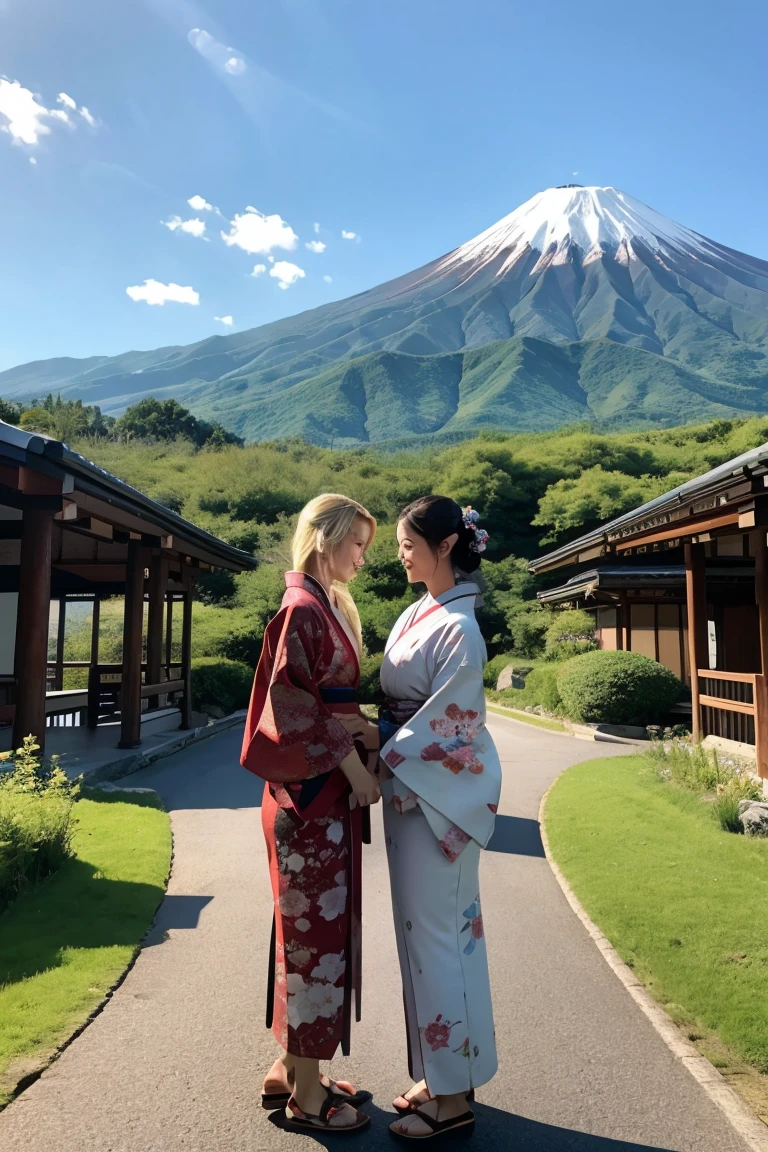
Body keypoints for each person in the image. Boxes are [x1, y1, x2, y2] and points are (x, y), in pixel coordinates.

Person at [240, 493, 381, 1135]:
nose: (362, 557)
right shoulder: (303, 609)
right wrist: (353, 766)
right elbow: (291, 706)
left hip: (314, 798)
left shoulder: (318, 606)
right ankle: (306, 1095)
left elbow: (326, 703)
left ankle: (297, 1068)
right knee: (311, 940)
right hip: (312, 798)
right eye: (356, 544)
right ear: (325, 540)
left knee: (306, 936)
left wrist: (363, 731)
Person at [379, 496, 501, 1142]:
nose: (400, 553)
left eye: (407, 542)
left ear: (446, 545)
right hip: (412, 793)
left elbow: (450, 727)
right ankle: (440, 1070)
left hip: (433, 799)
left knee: (440, 943)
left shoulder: (460, 629)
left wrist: (379, 751)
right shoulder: (421, 612)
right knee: (424, 942)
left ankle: (452, 1100)